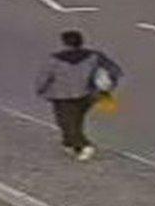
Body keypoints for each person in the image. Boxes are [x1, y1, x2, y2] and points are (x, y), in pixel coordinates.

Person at [35, 30, 123, 161]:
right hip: (88, 94)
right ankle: (69, 144)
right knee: (76, 120)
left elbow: (44, 77)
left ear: (64, 42)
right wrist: (107, 87)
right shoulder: (94, 56)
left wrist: (40, 89)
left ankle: (84, 146)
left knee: (66, 122)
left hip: (63, 96)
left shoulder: (55, 59)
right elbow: (114, 70)